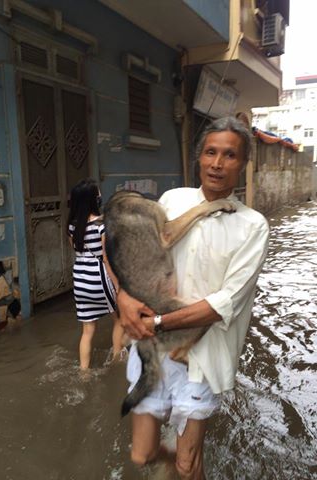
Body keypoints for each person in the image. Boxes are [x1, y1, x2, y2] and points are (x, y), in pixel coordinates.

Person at [117, 116, 270, 479]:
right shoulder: (172, 200)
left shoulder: (252, 226)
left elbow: (224, 303)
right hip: (152, 351)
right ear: (199, 158)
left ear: (243, 163)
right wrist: (123, 298)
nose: (217, 163)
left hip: (200, 357)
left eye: (229, 155)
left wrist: (155, 322)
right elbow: (133, 253)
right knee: (143, 454)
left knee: (188, 464)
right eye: (210, 152)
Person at [67, 178, 125, 371]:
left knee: (87, 329)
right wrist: (118, 286)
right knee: (119, 319)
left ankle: (84, 372)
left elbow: (77, 251)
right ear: (92, 199)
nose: (100, 197)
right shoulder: (102, 226)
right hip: (99, 277)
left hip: (80, 278)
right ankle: (117, 361)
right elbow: (106, 260)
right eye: (98, 194)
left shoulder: (72, 226)